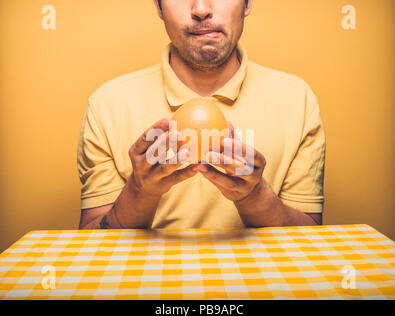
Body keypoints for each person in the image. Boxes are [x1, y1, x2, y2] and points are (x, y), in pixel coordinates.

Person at [77, 0, 326, 229]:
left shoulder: (297, 100)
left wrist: (255, 195)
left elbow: (310, 240)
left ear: (248, 2)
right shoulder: (107, 104)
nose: (200, 9)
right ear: (159, 7)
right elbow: (92, 243)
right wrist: (139, 192)